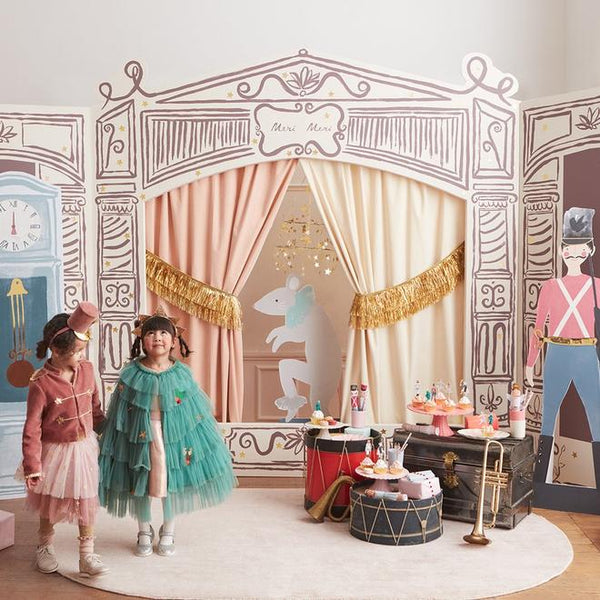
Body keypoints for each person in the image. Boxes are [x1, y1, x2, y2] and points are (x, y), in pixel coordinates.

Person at [98, 306, 237, 557]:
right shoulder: (131, 374)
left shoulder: (181, 374)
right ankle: (143, 529)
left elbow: (189, 406)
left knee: (171, 480)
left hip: (173, 435)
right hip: (139, 436)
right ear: (142, 340)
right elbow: (120, 410)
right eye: (151, 333)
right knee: (139, 480)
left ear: (174, 341)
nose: (157, 338)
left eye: (164, 333)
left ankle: (169, 529)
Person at [20, 301, 108, 576]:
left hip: (83, 446)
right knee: (50, 501)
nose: (81, 356)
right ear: (56, 351)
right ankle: (45, 546)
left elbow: (95, 406)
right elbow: (32, 427)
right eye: (76, 352)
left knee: (86, 498)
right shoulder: (41, 383)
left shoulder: (88, 370)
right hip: (55, 451)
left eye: (82, 350)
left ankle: (87, 555)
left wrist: (106, 430)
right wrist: (32, 465)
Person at [525, 207, 600, 492]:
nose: (574, 254)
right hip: (556, 352)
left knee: (596, 416)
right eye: (568, 248)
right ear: (561, 251)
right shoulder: (550, 286)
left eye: (580, 249)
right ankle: (540, 487)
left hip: (587, 355)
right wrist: (530, 362)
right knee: (548, 415)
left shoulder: (597, 286)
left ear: (589, 251)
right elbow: (538, 329)